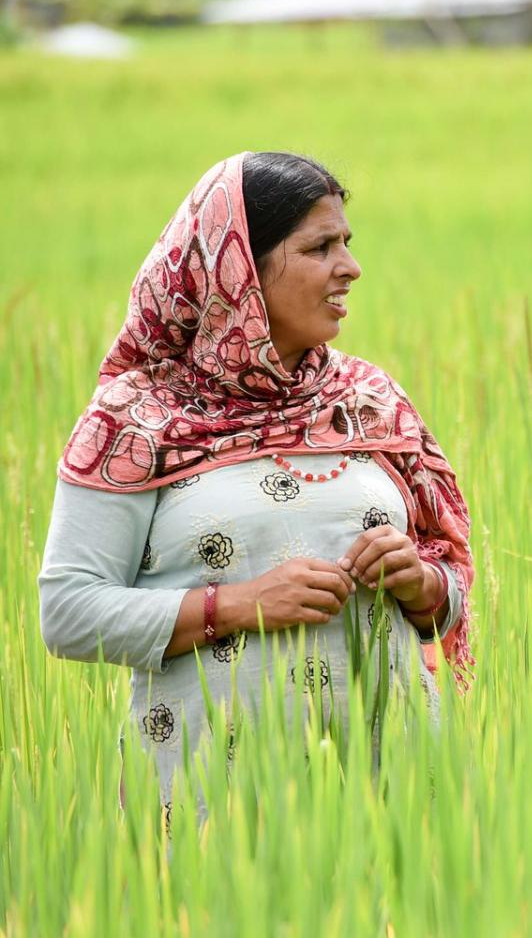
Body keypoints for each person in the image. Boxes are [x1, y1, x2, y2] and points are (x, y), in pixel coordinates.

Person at [38, 153, 474, 802]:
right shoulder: (140, 418)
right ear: (238, 270)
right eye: (320, 247)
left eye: (347, 244)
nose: (350, 267)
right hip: (214, 801)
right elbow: (68, 612)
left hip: (398, 792)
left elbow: (450, 584)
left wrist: (420, 581)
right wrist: (240, 605)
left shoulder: (370, 400)